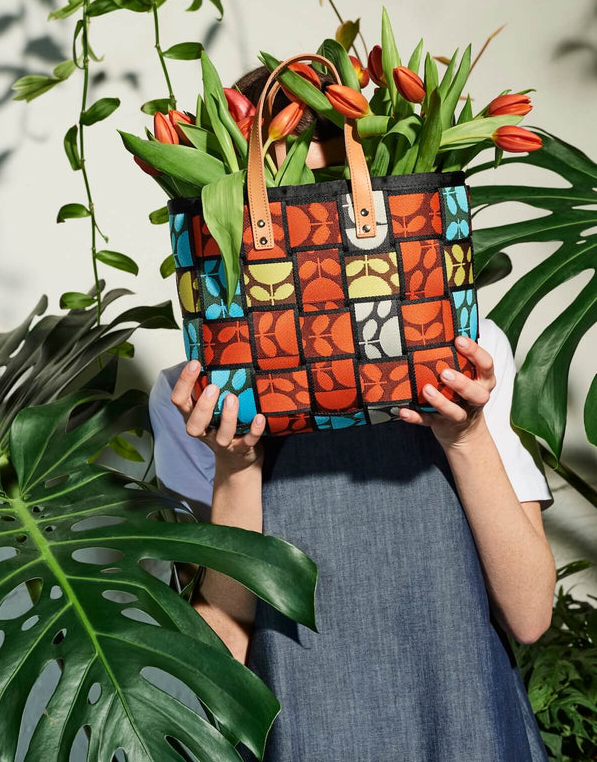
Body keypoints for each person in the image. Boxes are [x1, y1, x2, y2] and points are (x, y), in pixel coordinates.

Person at [149, 66, 557, 761]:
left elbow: (527, 614)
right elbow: (226, 642)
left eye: (332, 192)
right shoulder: (201, 391)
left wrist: (464, 435)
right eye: (280, 200)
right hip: (303, 732)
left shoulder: (460, 350)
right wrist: (236, 466)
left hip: (463, 724)